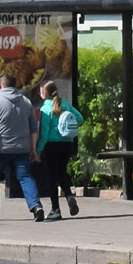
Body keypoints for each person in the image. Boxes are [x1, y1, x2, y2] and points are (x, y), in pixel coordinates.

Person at [0, 74, 44, 222]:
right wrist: (33, 149)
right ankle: (36, 206)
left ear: (0, 85)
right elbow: (34, 127)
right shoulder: (26, 102)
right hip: (21, 149)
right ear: (16, 86)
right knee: (25, 177)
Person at [36, 80, 84, 220]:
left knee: (52, 177)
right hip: (67, 143)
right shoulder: (65, 104)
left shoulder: (45, 109)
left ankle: (55, 210)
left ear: (44, 93)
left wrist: (38, 150)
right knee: (61, 173)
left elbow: (44, 135)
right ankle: (69, 197)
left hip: (52, 145)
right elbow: (79, 118)